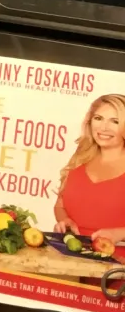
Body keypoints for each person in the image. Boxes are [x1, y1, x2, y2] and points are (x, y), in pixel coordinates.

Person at [54, 94, 125, 242]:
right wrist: (65, 220)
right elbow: (60, 205)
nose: (103, 128)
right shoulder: (81, 157)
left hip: (118, 261)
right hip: (69, 255)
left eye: (115, 121)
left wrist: (119, 234)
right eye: (98, 118)